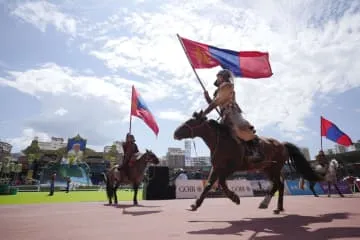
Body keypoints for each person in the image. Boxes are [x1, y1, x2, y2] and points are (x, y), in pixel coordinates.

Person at [201, 69, 263, 164]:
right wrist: (207, 97)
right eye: (217, 77)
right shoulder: (219, 90)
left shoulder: (227, 86)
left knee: (240, 128)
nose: (217, 78)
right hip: (225, 114)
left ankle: (256, 151)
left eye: (219, 76)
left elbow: (215, 103)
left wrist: (205, 112)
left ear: (224, 77)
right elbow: (215, 103)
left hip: (231, 112)